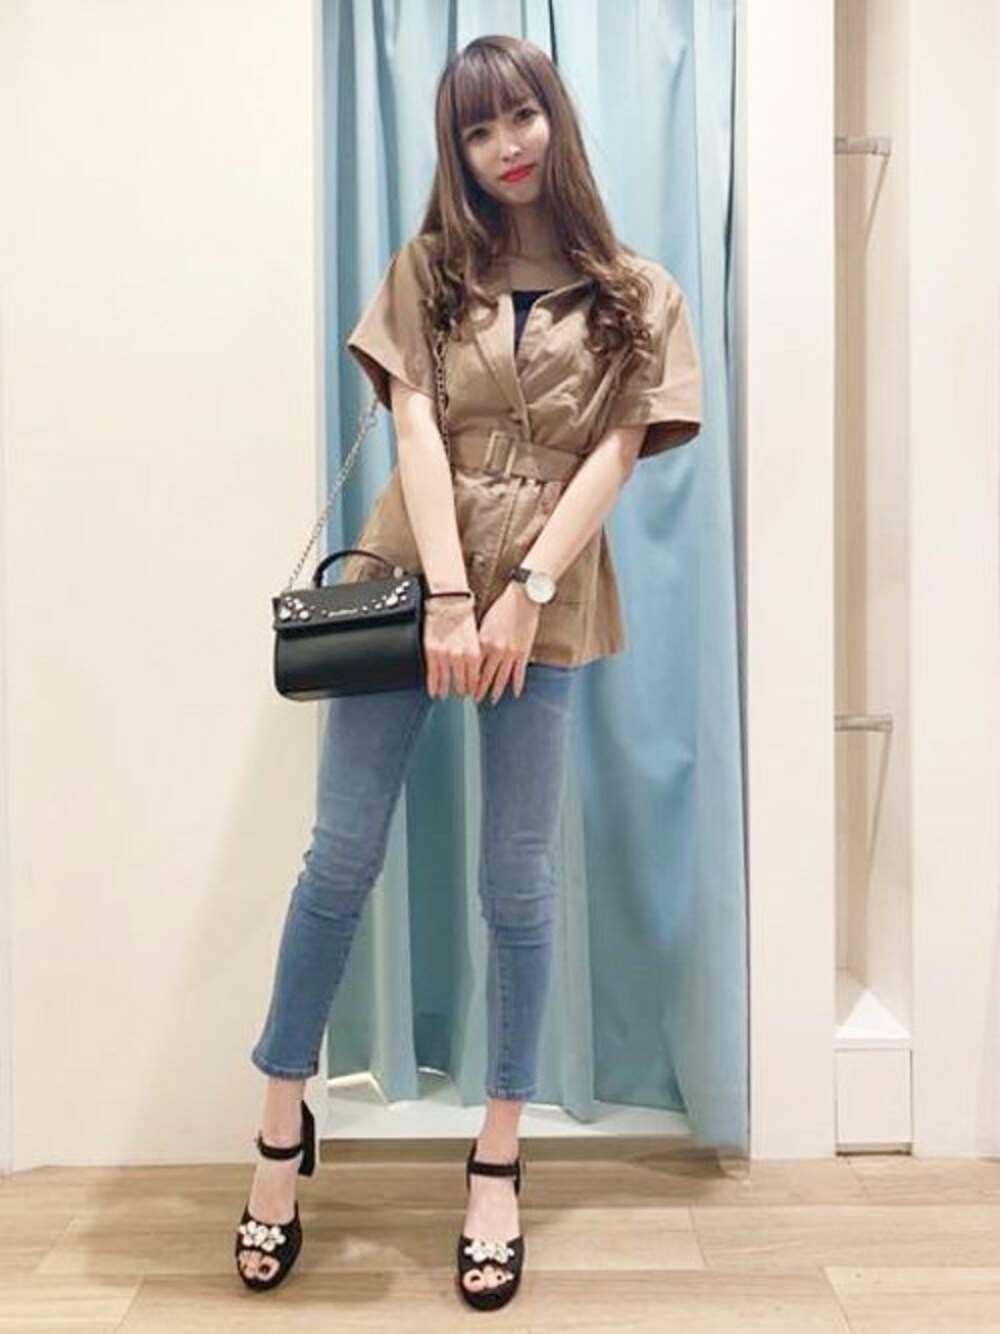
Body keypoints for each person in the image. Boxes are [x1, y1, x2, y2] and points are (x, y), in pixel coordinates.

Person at [234, 32, 702, 1312]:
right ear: (456, 149)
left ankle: (497, 1155)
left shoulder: (637, 291)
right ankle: (278, 1124)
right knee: (339, 859)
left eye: (521, 116)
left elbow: (614, 453)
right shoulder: (431, 270)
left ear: (555, 117)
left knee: (518, 878)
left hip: (545, 597)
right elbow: (414, 427)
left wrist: (523, 594)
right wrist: (448, 595)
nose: (506, 145)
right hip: (411, 576)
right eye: (478, 128)